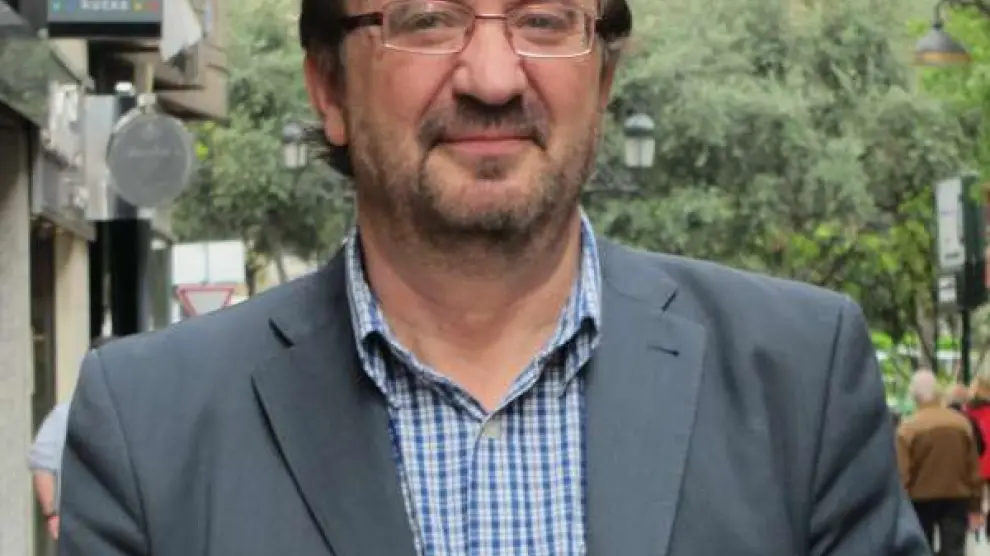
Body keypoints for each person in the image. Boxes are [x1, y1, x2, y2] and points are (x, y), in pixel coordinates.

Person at [57, 0, 927, 553]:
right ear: (329, 89)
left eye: (544, 20)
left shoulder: (798, 380)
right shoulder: (150, 428)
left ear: (605, 78)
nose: (494, 77)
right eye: (427, 19)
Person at [29, 336, 114, 544]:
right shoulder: (66, 414)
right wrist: (52, 515)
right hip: (81, 527)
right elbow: (41, 464)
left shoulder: (136, 416)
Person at [896, 370, 982, 555]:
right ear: (938, 393)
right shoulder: (961, 424)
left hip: (919, 501)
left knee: (920, 549)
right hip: (956, 499)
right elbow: (973, 468)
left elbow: (902, 474)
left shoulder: (907, 428)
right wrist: (976, 505)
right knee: (954, 550)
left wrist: (900, 507)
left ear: (914, 396)